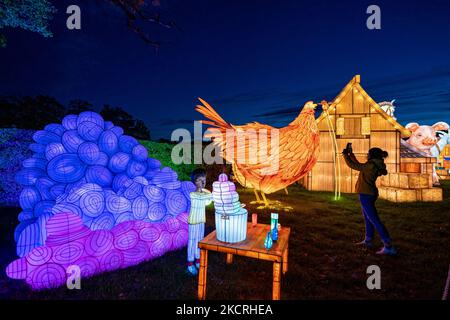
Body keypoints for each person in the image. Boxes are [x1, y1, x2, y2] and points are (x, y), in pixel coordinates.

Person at [342, 144, 397, 256]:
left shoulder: (371, 165)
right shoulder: (374, 164)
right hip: (368, 193)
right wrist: (351, 155)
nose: (367, 155)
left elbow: (353, 165)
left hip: (366, 194)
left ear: (372, 155)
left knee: (374, 219)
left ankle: (388, 246)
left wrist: (345, 155)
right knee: (368, 218)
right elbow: (359, 165)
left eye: (368, 153)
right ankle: (368, 240)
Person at [187, 168, 212, 275]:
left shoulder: (203, 194)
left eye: (204, 180)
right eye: (199, 180)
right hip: (193, 222)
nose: (202, 182)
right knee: (192, 242)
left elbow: (208, 201)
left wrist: (206, 191)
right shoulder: (193, 194)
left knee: (199, 241)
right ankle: (190, 263)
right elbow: (205, 197)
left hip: (201, 221)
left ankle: (197, 260)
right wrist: (209, 193)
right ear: (194, 181)